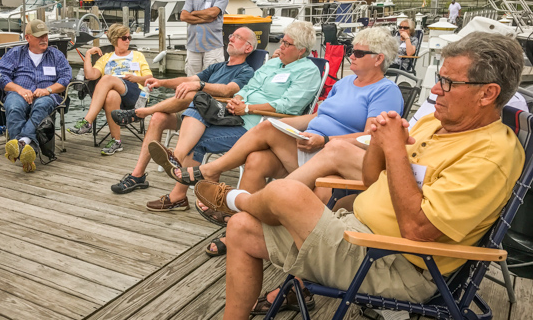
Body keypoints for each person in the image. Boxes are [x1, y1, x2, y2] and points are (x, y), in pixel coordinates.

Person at [194, 31, 525, 319]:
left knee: (287, 193)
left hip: (396, 264)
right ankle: (239, 219)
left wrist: (395, 150)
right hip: (358, 234)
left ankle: (240, 200)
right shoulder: (436, 124)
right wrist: (381, 145)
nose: (435, 89)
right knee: (241, 228)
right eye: (440, 77)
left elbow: (419, 230)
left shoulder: (489, 155)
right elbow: (372, 180)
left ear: (487, 93)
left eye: (449, 83)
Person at [192, 27, 403, 256]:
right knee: (259, 155)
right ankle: (238, 225)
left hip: (335, 159)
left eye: (358, 53)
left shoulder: (385, 90)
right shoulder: (344, 83)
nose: (350, 55)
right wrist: (286, 126)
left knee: (262, 146)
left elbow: (370, 138)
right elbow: (316, 117)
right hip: (306, 146)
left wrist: (324, 139)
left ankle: (216, 181)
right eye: (351, 50)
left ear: (378, 59)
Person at [147, 21, 322, 212]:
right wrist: (236, 99)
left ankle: (185, 191)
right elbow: (250, 87)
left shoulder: (308, 71)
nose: (280, 46)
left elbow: (288, 106)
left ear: (301, 50)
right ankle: (188, 178)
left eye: (286, 44)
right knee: (200, 103)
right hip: (238, 115)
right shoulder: (273, 63)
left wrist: (248, 108)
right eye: (282, 41)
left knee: (198, 140)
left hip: (260, 126)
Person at [108, 27, 257, 194]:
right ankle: (137, 176)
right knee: (158, 118)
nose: (231, 38)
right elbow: (188, 79)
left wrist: (200, 86)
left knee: (194, 94)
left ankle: (141, 113)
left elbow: (228, 90)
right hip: (194, 114)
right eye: (231, 35)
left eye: (237, 37)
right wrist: (161, 82)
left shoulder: (246, 71)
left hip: (215, 118)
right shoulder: (217, 67)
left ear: (248, 48)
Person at [0, 19, 72, 173]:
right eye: (39, 36)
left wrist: (48, 90)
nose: (44, 39)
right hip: (19, 92)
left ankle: (21, 142)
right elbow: (0, 77)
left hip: (47, 95)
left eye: (45, 35)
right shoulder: (15, 53)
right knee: (14, 106)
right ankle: (28, 149)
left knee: (41, 106)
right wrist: (18, 89)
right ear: (27, 37)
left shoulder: (56, 55)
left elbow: (65, 79)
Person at [68, 23, 153, 155]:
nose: (128, 41)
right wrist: (88, 55)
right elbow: (90, 75)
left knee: (107, 79)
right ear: (114, 39)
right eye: (124, 38)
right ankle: (116, 141)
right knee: (111, 95)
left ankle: (87, 121)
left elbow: (149, 78)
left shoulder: (137, 55)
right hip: (116, 94)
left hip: (135, 93)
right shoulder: (105, 58)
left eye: (129, 38)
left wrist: (136, 78)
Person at [181, 0, 229, 76]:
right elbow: (183, 16)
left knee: (212, 80)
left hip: (212, 47)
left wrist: (193, 13)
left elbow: (213, 13)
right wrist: (203, 19)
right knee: (191, 81)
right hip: (193, 46)